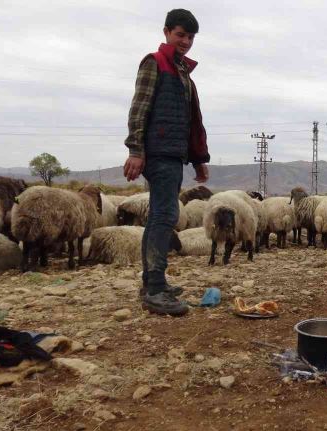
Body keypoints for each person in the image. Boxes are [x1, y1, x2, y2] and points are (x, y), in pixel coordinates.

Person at [123, 9, 210, 316]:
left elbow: (192, 121)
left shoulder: (184, 74)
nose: (185, 41)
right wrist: (136, 149)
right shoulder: (155, 63)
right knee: (165, 215)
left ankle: (153, 282)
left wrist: (199, 160)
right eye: (180, 35)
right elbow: (140, 107)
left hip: (174, 154)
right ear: (166, 32)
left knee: (162, 214)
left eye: (190, 37)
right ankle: (155, 289)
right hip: (158, 152)